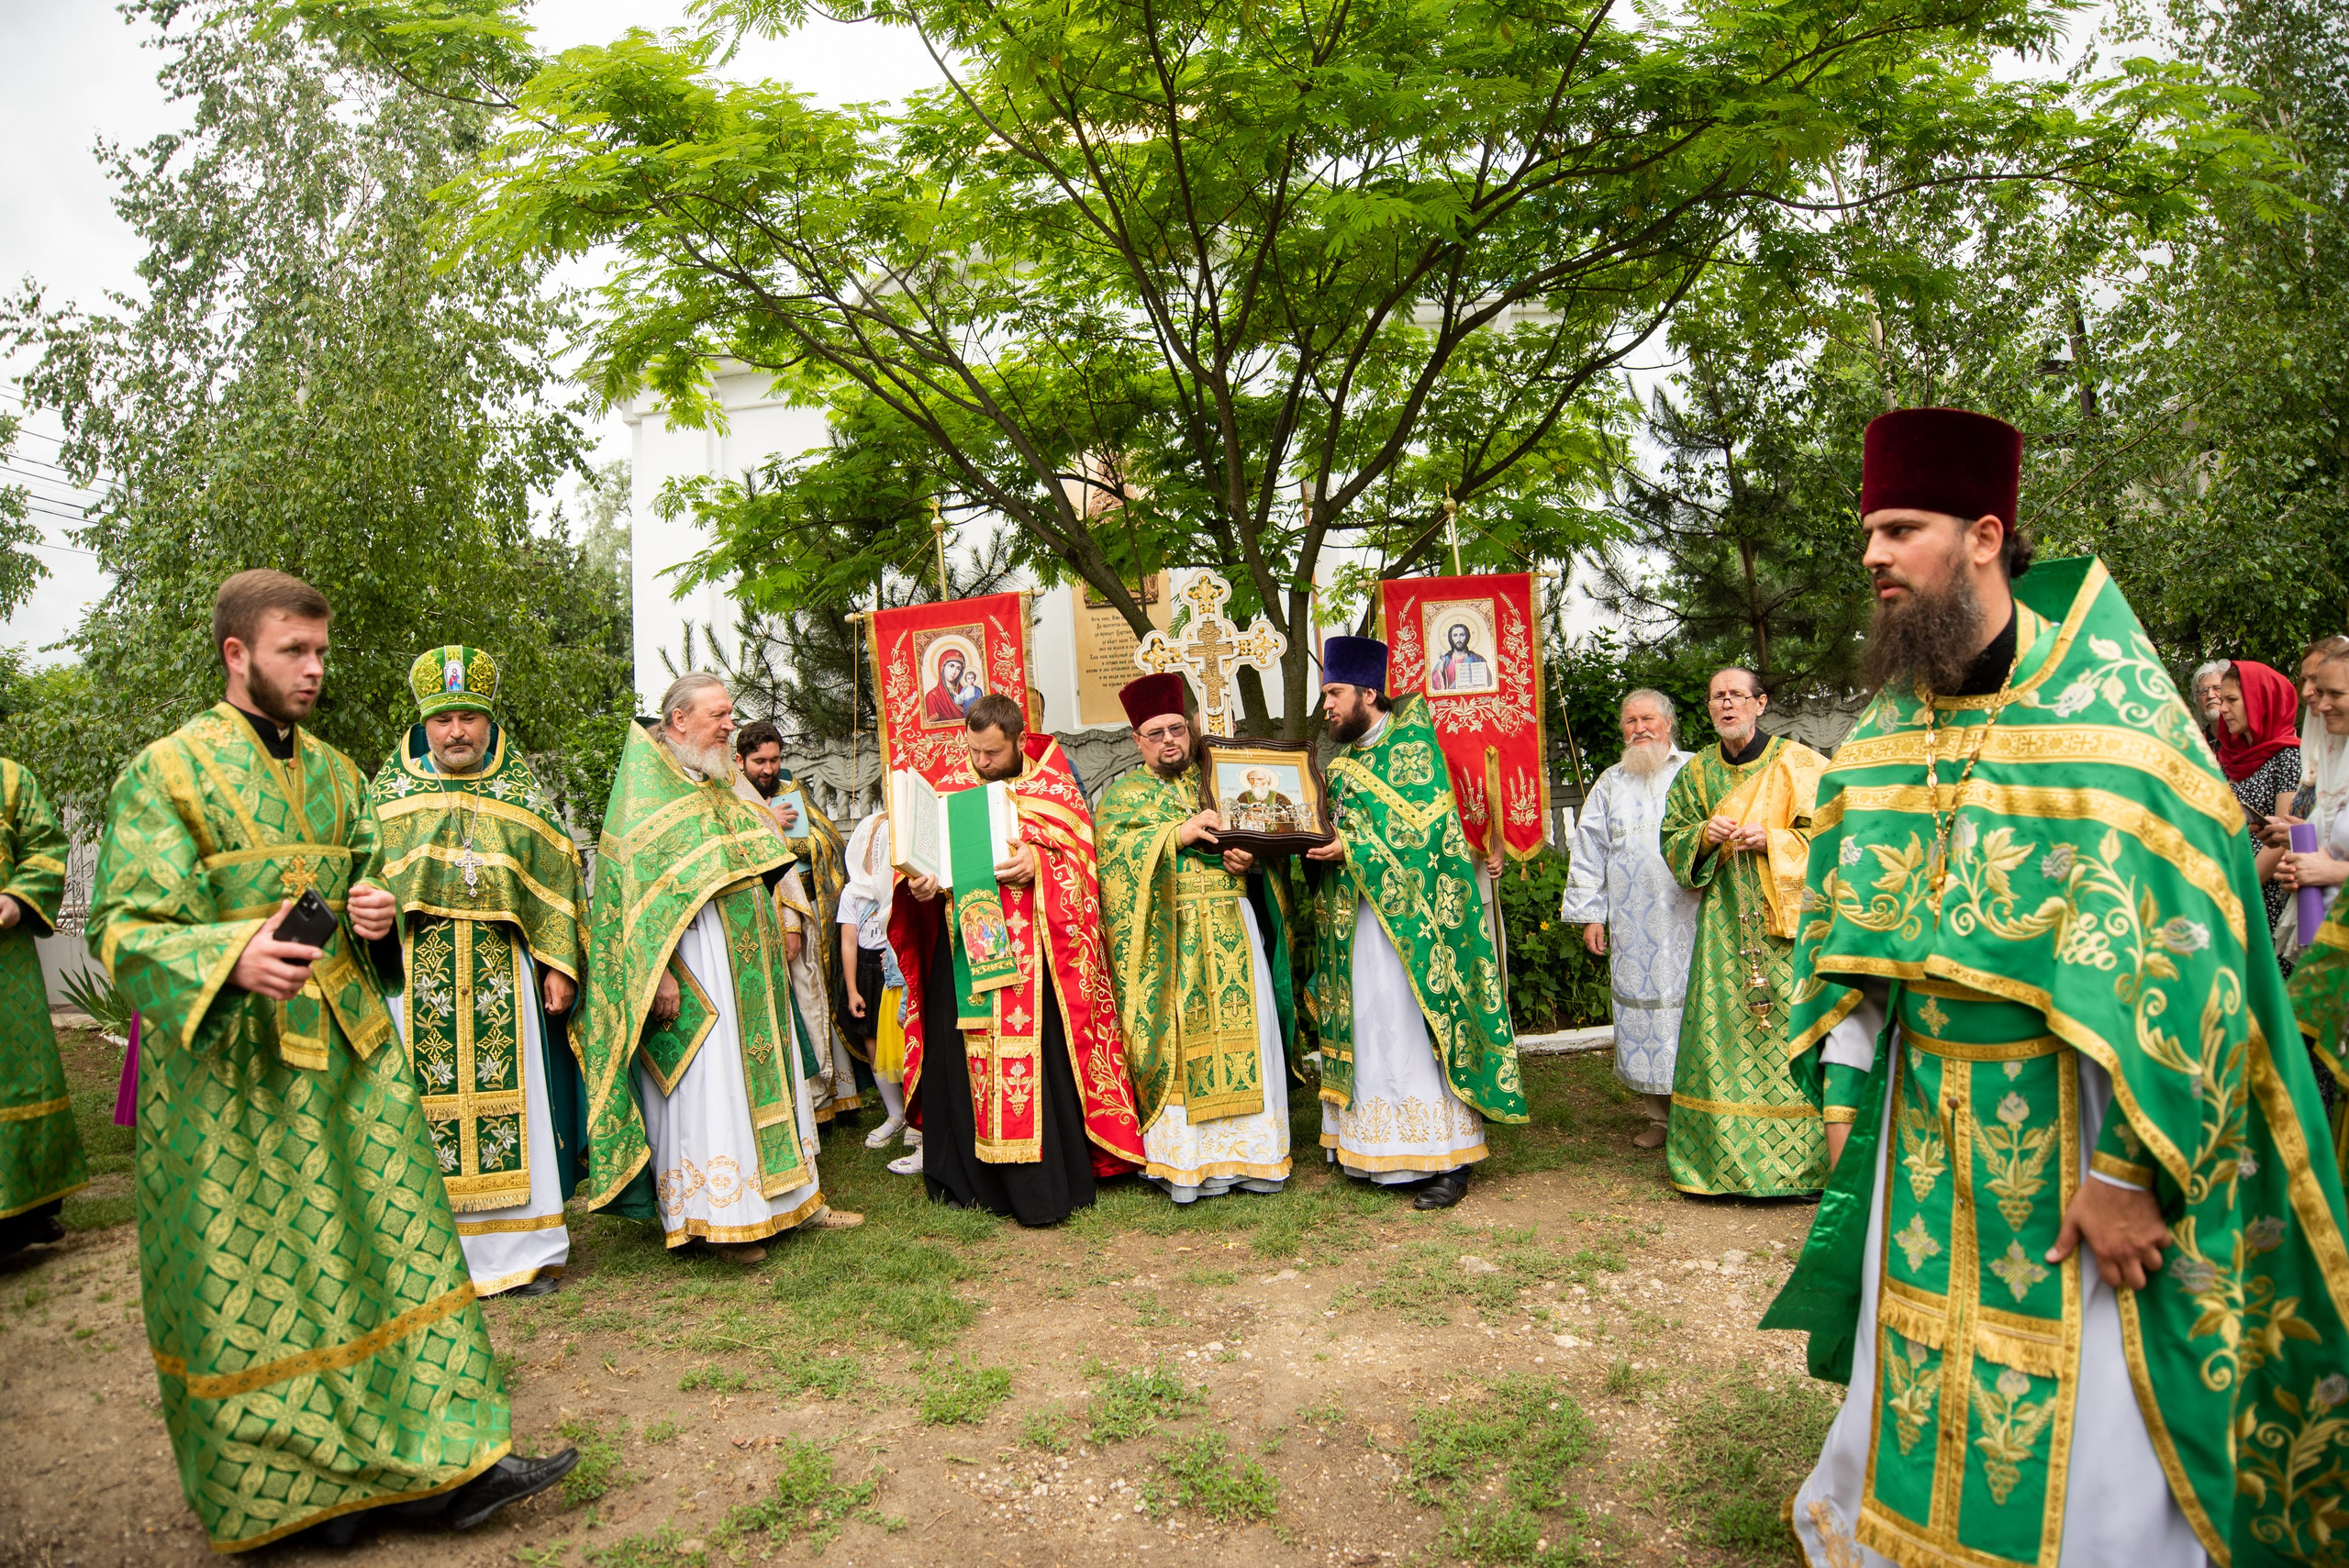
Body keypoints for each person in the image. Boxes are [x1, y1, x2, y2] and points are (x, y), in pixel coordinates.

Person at [1764, 408, 2349, 1568]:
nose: (1872, 553)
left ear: (1983, 536)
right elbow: (1851, 953)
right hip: (1919, 1132)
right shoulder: (1880, 738)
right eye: (1869, 530)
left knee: (2092, 1424)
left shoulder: (2123, 734)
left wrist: (2128, 1173)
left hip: (2082, 1129)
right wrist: (1842, 1100)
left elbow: (2196, 966)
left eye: (1900, 528)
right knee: (1915, 1371)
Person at [87, 571, 574, 1551]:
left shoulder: (344, 775)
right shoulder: (167, 773)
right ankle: (287, 1492)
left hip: (351, 1060)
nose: (314, 669)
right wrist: (230, 955)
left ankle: (443, 1464)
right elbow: (124, 927)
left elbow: (368, 887)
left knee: (394, 1253)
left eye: (320, 650)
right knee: (263, 1274)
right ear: (237, 654)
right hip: (231, 1074)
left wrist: (375, 917)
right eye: (293, 651)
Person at [573, 673, 861, 1262]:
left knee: (771, 1075)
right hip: (697, 968)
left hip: (750, 961)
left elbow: (765, 860)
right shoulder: (646, 798)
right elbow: (634, 911)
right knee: (715, 1087)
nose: (731, 725)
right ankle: (722, 1217)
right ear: (679, 720)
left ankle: (796, 1200)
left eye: (731, 714)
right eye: (719, 716)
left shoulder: (721, 779)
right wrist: (661, 975)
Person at [371, 645, 588, 1298]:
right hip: (415, 977)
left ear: (489, 722)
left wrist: (559, 966)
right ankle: (429, 1258)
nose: (457, 732)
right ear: (425, 724)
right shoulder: (389, 796)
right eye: (443, 720)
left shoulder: (520, 794)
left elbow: (558, 881)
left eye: (469, 718)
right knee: (416, 1114)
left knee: (515, 1109)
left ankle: (524, 1253)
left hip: (503, 973)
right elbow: (365, 885)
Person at [888, 693, 1146, 1225]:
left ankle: (1045, 1180)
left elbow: (1083, 860)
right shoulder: (948, 788)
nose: (981, 762)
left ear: (1019, 741)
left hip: (1036, 961)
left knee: (1042, 1063)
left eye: (993, 753)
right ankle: (973, 1182)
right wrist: (920, 886)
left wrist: (1040, 863)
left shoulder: (1052, 785)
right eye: (974, 751)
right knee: (963, 1063)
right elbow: (919, 870)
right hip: (964, 957)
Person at [1304, 637, 1526, 1208]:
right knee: (1371, 1025)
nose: (1326, 706)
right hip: (1356, 925)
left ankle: (1446, 1157)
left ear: (1367, 693)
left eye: (1334, 693)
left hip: (1419, 931)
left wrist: (1351, 848)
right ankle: (1374, 1149)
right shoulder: (1342, 767)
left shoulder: (1416, 746)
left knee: (1413, 1028)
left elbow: (1425, 837)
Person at [1096, 674, 1296, 1202]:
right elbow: (1112, 864)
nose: (1169, 741)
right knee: (1184, 1044)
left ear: (1190, 728)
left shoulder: (1221, 782)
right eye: (1156, 733)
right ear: (1137, 740)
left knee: (1248, 1029)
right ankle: (1189, 1162)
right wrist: (1175, 835)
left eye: (1177, 729)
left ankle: (1254, 1157)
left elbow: (1271, 841)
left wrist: (1252, 860)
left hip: (1233, 922)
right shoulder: (1123, 798)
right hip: (1172, 936)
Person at [1657, 667, 1830, 1196]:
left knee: (1790, 1033)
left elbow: (1837, 835)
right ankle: (1719, 1167)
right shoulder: (1696, 774)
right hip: (1724, 929)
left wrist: (1776, 840)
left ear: (1760, 703)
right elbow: (1672, 839)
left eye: (1736, 695)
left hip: (1788, 931)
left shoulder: (1800, 764)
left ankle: (1803, 1167)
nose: (1726, 704)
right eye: (1717, 697)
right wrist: (1703, 837)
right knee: (1721, 1036)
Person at [1559, 689, 1699, 1149]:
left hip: (1693, 916)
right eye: (1630, 721)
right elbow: (1588, 850)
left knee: (1696, 1011)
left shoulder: (1696, 770)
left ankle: (1705, 1116)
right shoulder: (1610, 782)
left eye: (1648, 719)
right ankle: (1660, 1119)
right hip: (1633, 923)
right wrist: (1590, 916)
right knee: (1648, 1018)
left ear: (1668, 724)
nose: (1639, 728)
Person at [730, 719, 863, 1128]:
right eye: (759, 762)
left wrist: (795, 841)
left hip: (808, 912)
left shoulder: (791, 788)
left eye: (774, 760)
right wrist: (769, 825)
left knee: (815, 997)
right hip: (760, 915)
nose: (768, 769)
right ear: (740, 760)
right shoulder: (731, 797)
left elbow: (829, 842)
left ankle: (834, 1094)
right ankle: (796, 1101)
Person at [0, 756, 83, 1259]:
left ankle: (24, 1213)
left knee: (15, 1076)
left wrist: (16, 898)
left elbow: (47, 847)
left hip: (4, 964)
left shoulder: (10, 780)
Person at [838, 811, 918, 1167]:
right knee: (873, 1041)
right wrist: (853, 989)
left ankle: (915, 1118)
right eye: (873, 848)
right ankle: (894, 1112)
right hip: (866, 971)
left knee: (904, 1041)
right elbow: (848, 941)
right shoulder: (852, 893)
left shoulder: (900, 886)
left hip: (897, 970)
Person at [2214, 660, 2302, 973]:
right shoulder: (2229, 758)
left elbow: (2282, 839)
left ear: (2259, 701)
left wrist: (2239, 889)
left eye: (2232, 700)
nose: (2223, 709)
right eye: (2222, 700)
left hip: (2261, 894)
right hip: (2228, 884)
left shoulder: (2288, 756)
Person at [1231, 766, 1297, 831]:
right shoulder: (1244, 797)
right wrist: (1248, 814)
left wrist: (1273, 818)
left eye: (1260, 779)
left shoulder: (1280, 798)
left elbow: (1290, 821)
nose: (1255, 782)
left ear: (1267, 780)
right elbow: (1235, 818)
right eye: (1251, 779)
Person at [1431, 621, 1493, 692]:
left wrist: (1476, 687)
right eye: (1455, 635)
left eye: (1462, 635)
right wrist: (1441, 666)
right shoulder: (1445, 660)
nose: (1459, 639)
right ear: (1451, 638)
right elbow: (1435, 687)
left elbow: (1489, 683)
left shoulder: (1477, 659)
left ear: (1467, 637)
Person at [2188, 658, 2229, 748]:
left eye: (2218, 688)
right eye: (2203, 690)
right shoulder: (2194, 747)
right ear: (2196, 700)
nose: (2210, 695)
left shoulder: (2248, 740)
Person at [927, 651, 975, 723]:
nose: (954, 672)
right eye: (951, 666)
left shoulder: (967, 692)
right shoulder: (933, 696)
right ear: (942, 667)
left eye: (958, 668)